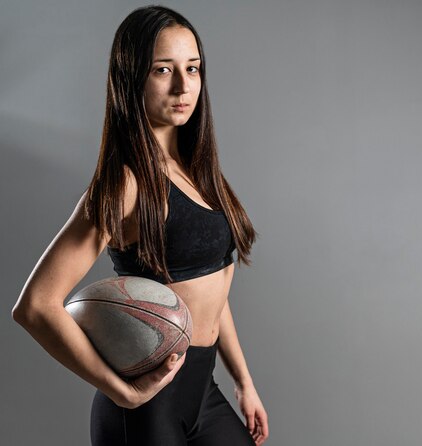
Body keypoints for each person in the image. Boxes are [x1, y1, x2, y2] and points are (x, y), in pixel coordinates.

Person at [11, 5, 269, 445]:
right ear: (132, 78)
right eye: (163, 70)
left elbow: (211, 286)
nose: (183, 86)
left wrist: (243, 381)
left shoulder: (198, 171)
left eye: (193, 68)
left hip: (203, 393)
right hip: (147, 408)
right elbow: (35, 306)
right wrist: (123, 393)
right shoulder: (125, 183)